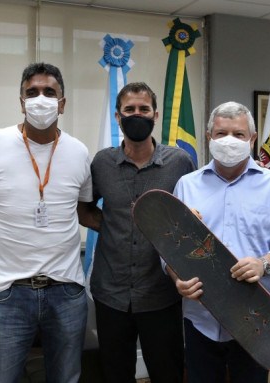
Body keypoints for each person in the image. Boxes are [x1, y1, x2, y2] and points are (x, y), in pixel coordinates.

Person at [0, 63, 94, 383]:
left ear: (62, 103)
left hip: (66, 292)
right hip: (9, 293)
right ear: (21, 101)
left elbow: (83, 211)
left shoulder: (79, 152)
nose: (40, 98)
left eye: (49, 92)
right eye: (32, 92)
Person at [170, 101, 270, 383]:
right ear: (209, 138)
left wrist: (264, 264)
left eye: (239, 134)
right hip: (200, 318)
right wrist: (176, 279)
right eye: (221, 134)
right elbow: (169, 247)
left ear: (252, 139)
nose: (229, 141)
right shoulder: (186, 185)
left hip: (253, 319)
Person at [88, 82, 196, 382]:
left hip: (160, 293)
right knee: (115, 373)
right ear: (117, 116)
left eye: (143, 109)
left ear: (156, 114)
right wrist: (111, 225)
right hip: (111, 293)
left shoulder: (179, 163)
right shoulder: (102, 162)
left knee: (167, 373)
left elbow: (193, 217)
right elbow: (85, 208)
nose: (137, 115)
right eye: (129, 110)